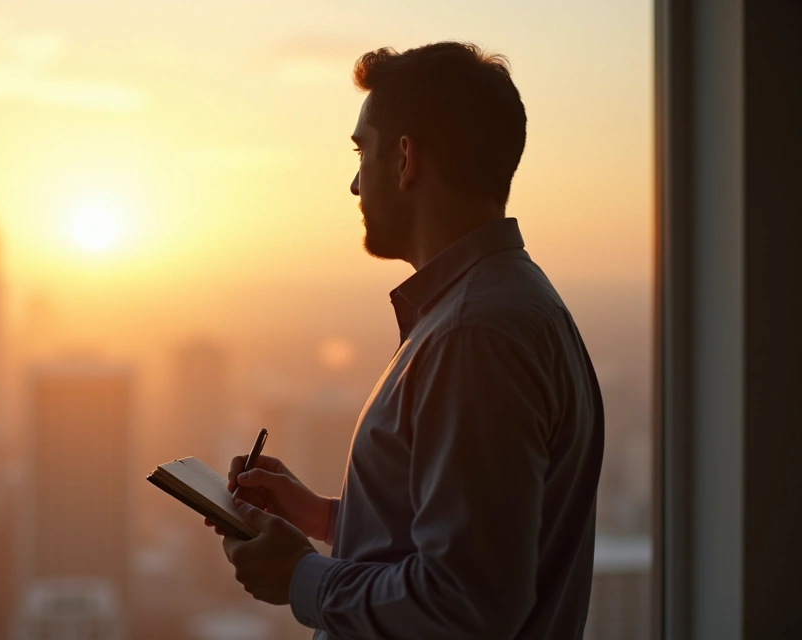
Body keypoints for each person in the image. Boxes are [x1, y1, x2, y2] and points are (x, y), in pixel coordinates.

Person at [206, 42, 604, 639]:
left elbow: (467, 602)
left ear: (405, 159)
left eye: (362, 151)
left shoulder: (474, 333)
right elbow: (470, 543)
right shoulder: (504, 303)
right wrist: (324, 517)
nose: (353, 183)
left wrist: (302, 579)